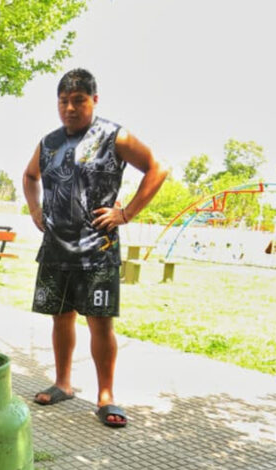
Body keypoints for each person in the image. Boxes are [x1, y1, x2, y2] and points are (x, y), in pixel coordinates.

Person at [22, 68, 167, 428]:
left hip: (97, 249)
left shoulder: (114, 136)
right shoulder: (49, 142)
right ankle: (63, 383)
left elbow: (157, 169)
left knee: (100, 324)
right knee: (61, 317)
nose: (70, 108)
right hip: (56, 248)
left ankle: (106, 396)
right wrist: (36, 209)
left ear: (94, 100)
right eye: (63, 101)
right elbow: (29, 176)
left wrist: (126, 213)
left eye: (78, 100)